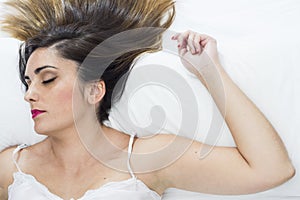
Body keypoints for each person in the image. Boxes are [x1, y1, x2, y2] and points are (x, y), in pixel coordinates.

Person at [0, 0, 295, 199]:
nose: (29, 94)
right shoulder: (12, 167)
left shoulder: (147, 160)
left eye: (47, 78)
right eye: (27, 82)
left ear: (94, 91)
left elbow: (272, 170)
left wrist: (210, 71)